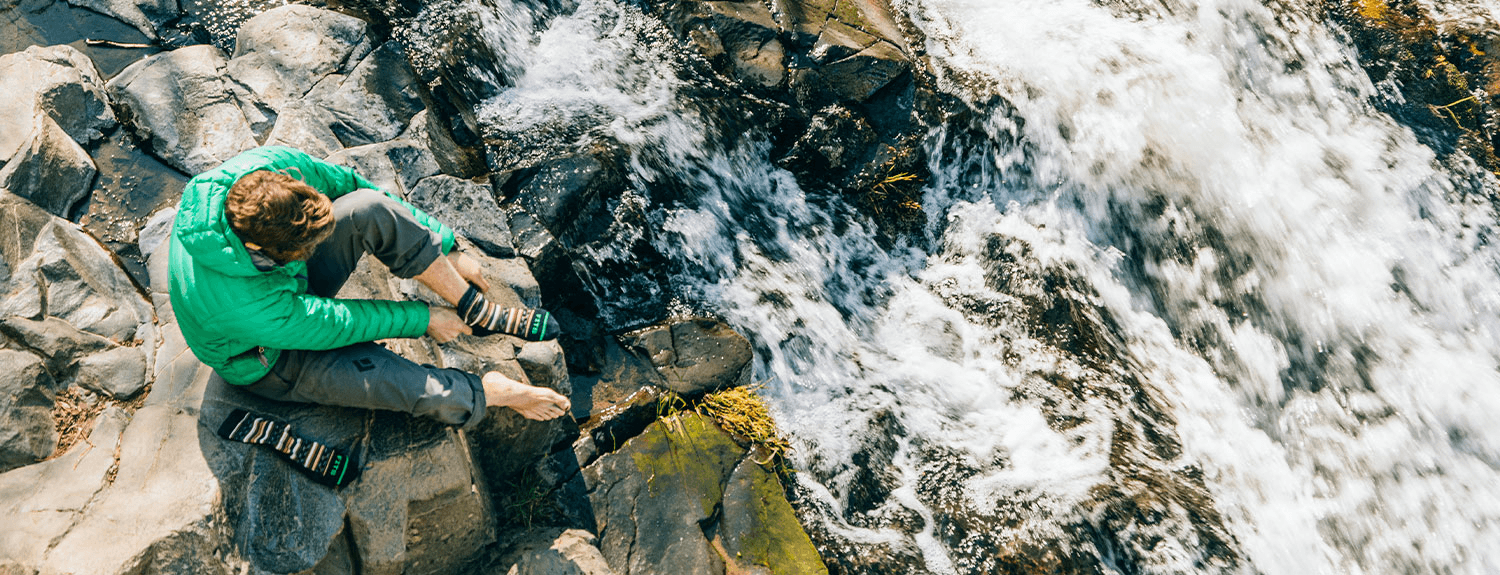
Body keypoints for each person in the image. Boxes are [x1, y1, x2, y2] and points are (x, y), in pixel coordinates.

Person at [168, 146, 572, 434]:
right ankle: (491, 393)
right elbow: (332, 323)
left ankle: (472, 305)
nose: (315, 250)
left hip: (280, 290)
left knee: (366, 207)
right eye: (306, 249)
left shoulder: (268, 169)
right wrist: (425, 319)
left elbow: (350, 185)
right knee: (398, 384)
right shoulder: (245, 304)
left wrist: (443, 244)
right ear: (262, 249)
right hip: (268, 357)